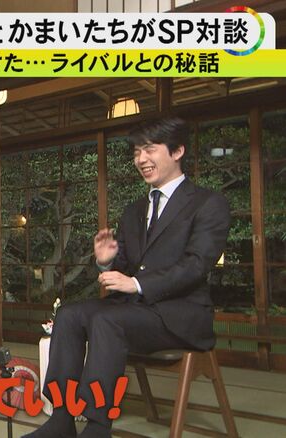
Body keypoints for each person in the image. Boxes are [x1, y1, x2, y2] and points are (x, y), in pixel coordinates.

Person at [24, 117, 231, 438]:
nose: (141, 159)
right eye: (136, 152)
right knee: (69, 314)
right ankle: (61, 418)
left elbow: (196, 265)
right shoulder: (134, 210)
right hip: (134, 310)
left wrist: (137, 284)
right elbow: (122, 269)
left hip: (179, 315)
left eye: (149, 149)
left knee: (107, 320)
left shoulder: (208, 203)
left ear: (177, 151)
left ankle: (97, 426)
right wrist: (106, 262)